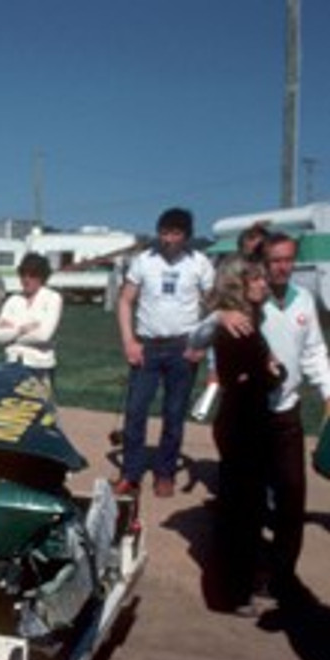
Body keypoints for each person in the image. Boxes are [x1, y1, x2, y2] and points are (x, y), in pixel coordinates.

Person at [216, 232, 330, 607]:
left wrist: (328, 392)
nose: (282, 267)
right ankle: (242, 580)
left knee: (292, 496)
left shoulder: (304, 301)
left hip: (286, 414)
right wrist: (220, 313)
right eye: (274, 260)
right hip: (249, 416)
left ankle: (281, 577)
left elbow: (314, 352)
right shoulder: (249, 304)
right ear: (262, 263)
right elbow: (199, 334)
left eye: (288, 259)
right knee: (247, 503)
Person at [188, 258, 284, 616]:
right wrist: (271, 373)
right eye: (255, 279)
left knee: (245, 508)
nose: (263, 283)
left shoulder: (249, 323)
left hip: (247, 420)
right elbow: (248, 377)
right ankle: (232, 593)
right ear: (238, 286)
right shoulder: (237, 327)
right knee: (240, 512)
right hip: (243, 422)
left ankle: (237, 588)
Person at [114, 207, 215, 497]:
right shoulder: (143, 261)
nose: (168, 238)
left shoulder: (199, 263)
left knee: (173, 414)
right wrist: (129, 341)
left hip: (182, 348)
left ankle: (165, 472)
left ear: (186, 236)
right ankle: (130, 474)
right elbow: (125, 301)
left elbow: (213, 308)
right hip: (147, 347)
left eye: (175, 233)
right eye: (164, 232)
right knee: (135, 412)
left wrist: (202, 344)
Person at [0, 252, 63, 387]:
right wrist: (21, 329)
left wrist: (10, 334)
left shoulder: (52, 298)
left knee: (40, 407)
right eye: (23, 274)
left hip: (40, 367)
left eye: (32, 275)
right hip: (12, 365)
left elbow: (43, 336)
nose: (26, 279)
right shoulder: (13, 300)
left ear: (42, 277)